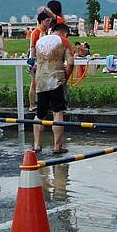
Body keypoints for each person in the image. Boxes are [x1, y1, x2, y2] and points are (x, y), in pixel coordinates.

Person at [32, 23, 74, 154]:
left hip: (41, 81)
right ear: (65, 33)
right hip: (56, 80)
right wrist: (66, 76)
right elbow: (71, 62)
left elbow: (34, 61)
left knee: (40, 114)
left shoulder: (40, 41)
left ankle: (37, 145)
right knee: (57, 112)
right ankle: (57, 146)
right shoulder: (64, 41)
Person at [28, 12, 51, 112]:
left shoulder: (47, 32)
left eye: (49, 21)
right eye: (47, 21)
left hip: (45, 61)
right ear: (41, 21)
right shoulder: (36, 32)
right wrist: (33, 62)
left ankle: (44, 103)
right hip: (37, 61)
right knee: (34, 83)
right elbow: (32, 47)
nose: (49, 22)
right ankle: (32, 105)